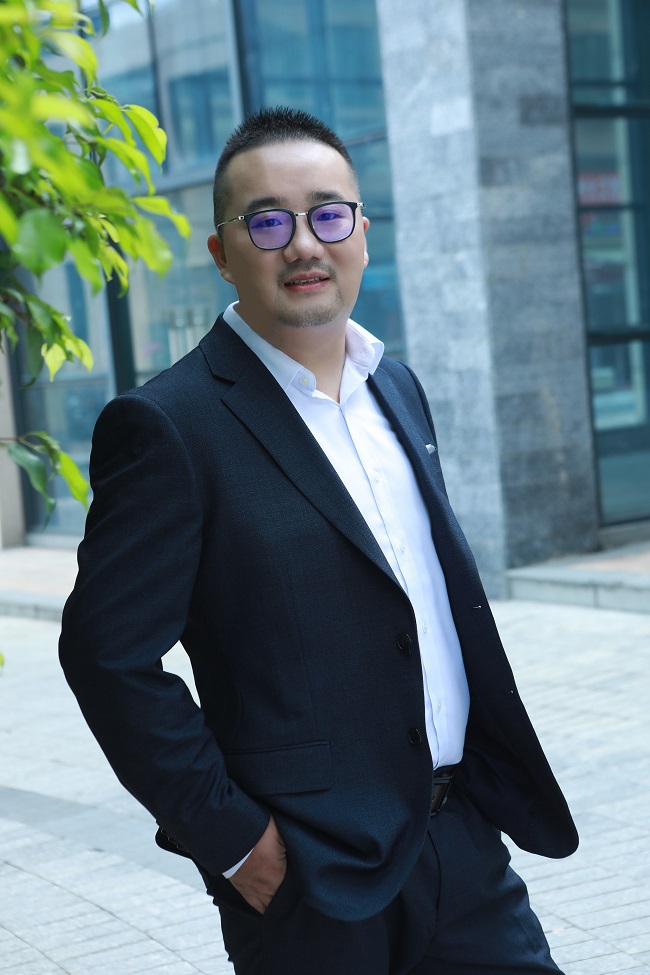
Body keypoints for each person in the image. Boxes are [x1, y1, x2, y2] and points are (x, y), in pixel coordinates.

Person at [59, 106, 578, 975]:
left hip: (462, 842)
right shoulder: (169, 426)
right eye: (267, 222)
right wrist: (235, 841)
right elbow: (106, 656)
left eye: (328, 214)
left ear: (363, 233)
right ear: (222, 252)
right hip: (310, 878)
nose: (304, 243)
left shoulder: (396, 387)